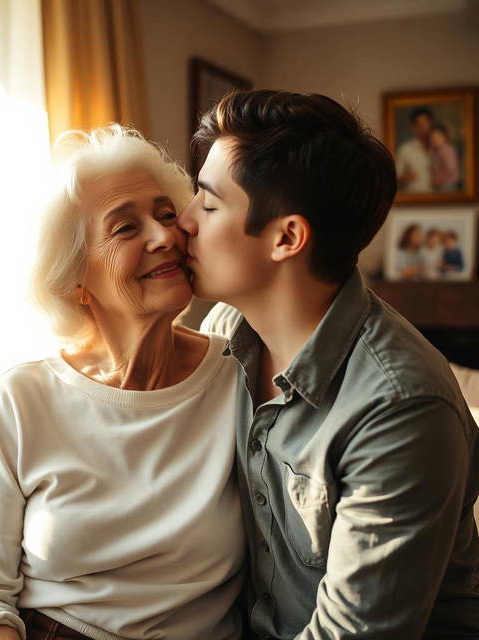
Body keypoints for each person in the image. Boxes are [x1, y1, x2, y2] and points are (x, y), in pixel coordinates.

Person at [178, 89, 479, 639]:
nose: (184, 220)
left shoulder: (401, 409)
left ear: (286, 237)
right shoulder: (224, 333)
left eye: (209, 203)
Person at [0, 125, 247, 640]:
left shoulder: (239, 377)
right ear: (76, 281)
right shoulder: (23, 399)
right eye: (125, 229)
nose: (164, 236)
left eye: (167, 214)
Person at [396, 106, 433, 193]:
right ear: (413, 127)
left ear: (431, 124)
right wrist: (405, 177)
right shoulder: (405, 150)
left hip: (441, 201)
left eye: (425, 124)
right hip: (413, 202)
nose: (422, 128)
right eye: (418, 125)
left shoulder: (440, 148)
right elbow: (396, 177)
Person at [429, 123, 460, 191]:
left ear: (445, 137)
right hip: (442, 183)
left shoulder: (446, 150)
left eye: (438, 136)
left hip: (448, 183)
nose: (434, 139)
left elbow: (450, 169)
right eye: (432, 137)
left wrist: (437, 180)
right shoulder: (437, 151)